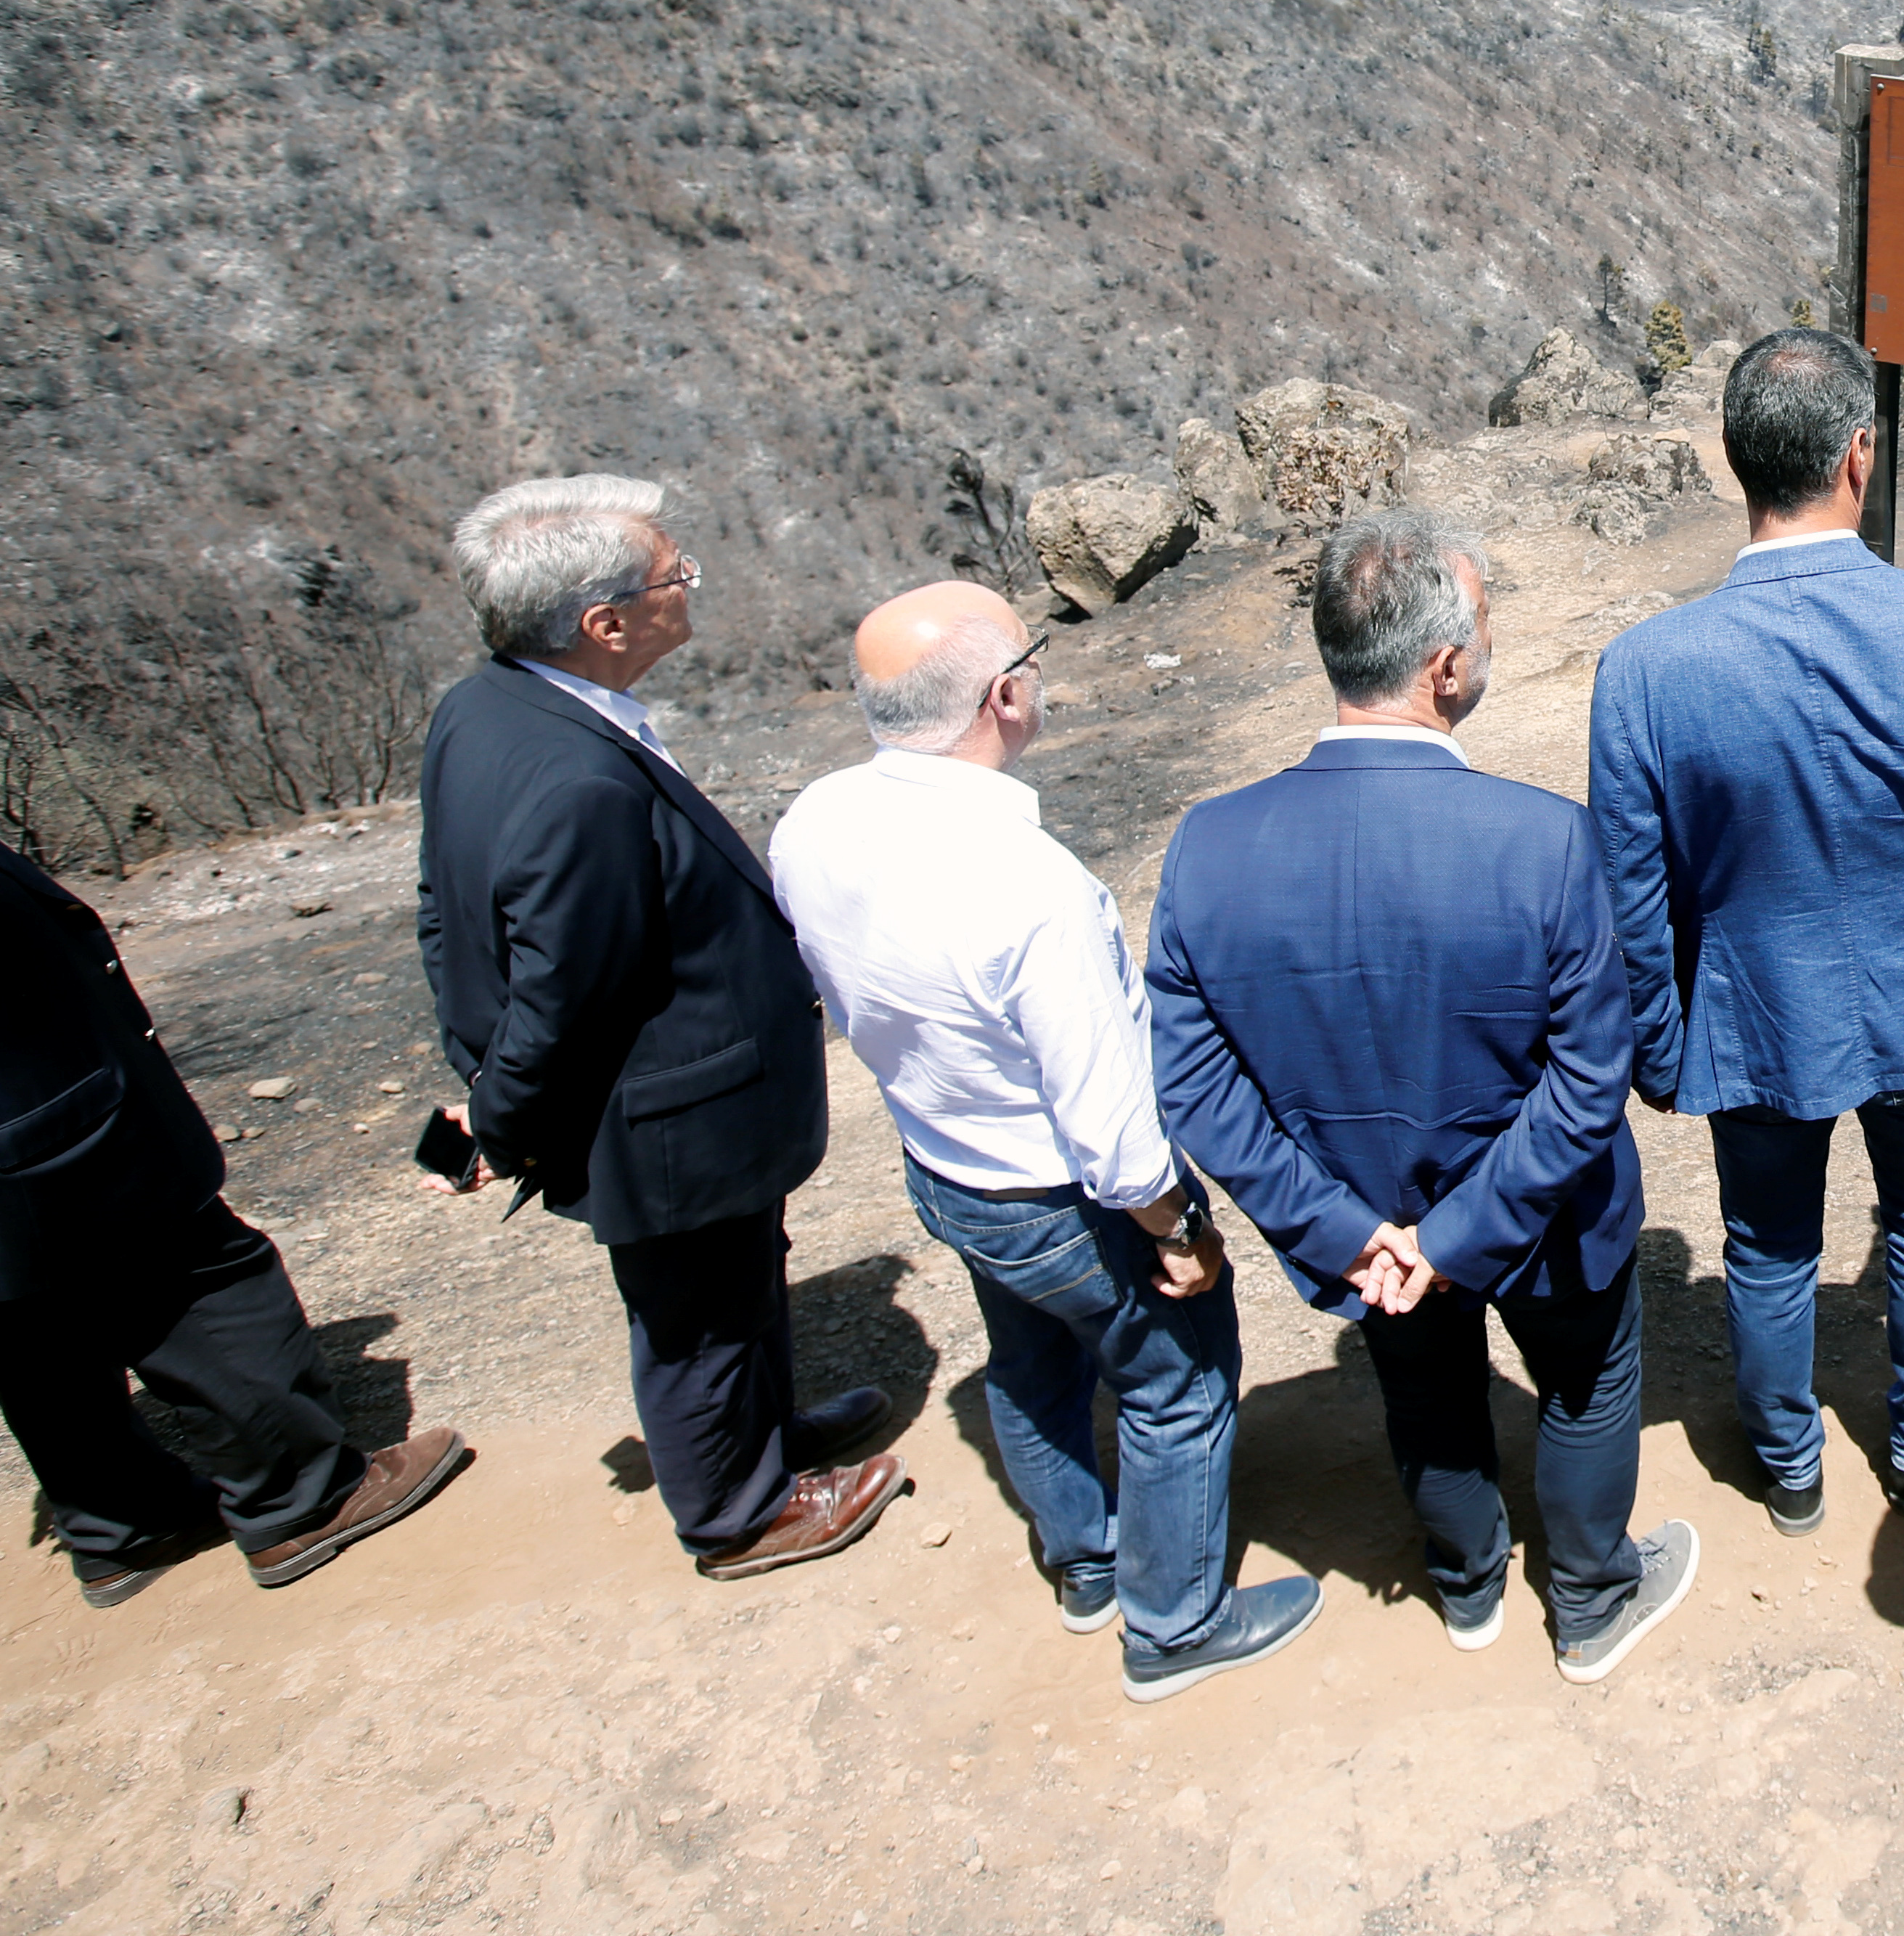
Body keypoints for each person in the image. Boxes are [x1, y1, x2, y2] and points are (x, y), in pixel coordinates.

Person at [1151, 512, 1695, 1683]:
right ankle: (1594, 1596)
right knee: (1590, 1382)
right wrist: (1456, 1236)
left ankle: (1468, 1583)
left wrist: (1355, 1236)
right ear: (1445, 668)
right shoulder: (1547, 845)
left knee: (1424, 1389)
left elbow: (1194, 1080)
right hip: (1544, 1221)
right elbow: (1591, 1077)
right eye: (1487, 619)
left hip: (1363, 1230)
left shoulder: (1209, 850)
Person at [1588, 329, 1904, 1535]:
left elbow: (1626, 897)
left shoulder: (1646, 670)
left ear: (1737, 463)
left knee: (1766, 1241)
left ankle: (1791, 1467)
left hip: (1756, 1012)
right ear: (1860, 456)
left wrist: (1659, 1055)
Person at [770, 582, 1315, 1702]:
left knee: (1026, 1366)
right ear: (1004, 694)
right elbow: (1107, 1115)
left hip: (945, 1162)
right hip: (1066, 1193)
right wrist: (1175, 1223)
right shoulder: (1029, 885)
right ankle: (1174, 1624)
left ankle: (1084, 1558)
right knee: (1179, 1385)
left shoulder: (812, 819)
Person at [416, 475, 904, 1580]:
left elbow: (444, 908)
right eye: (673, 575)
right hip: (666, 1107)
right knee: (697, 1315)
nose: (689, 587)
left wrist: (477, 1052)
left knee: (735, 1277)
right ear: (606, 622)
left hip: (665, 1095)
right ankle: (740, 1512)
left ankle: (765, 1438)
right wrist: (501, 1116)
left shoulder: (481, 708)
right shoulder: (581, 777)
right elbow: (563, 986)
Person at [0, 842, 468, 1604]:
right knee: (197, 1278)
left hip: (30, 1122)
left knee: (31, 1318)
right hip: (47, 1127)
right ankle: (304, 1497)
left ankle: (121, 1522)